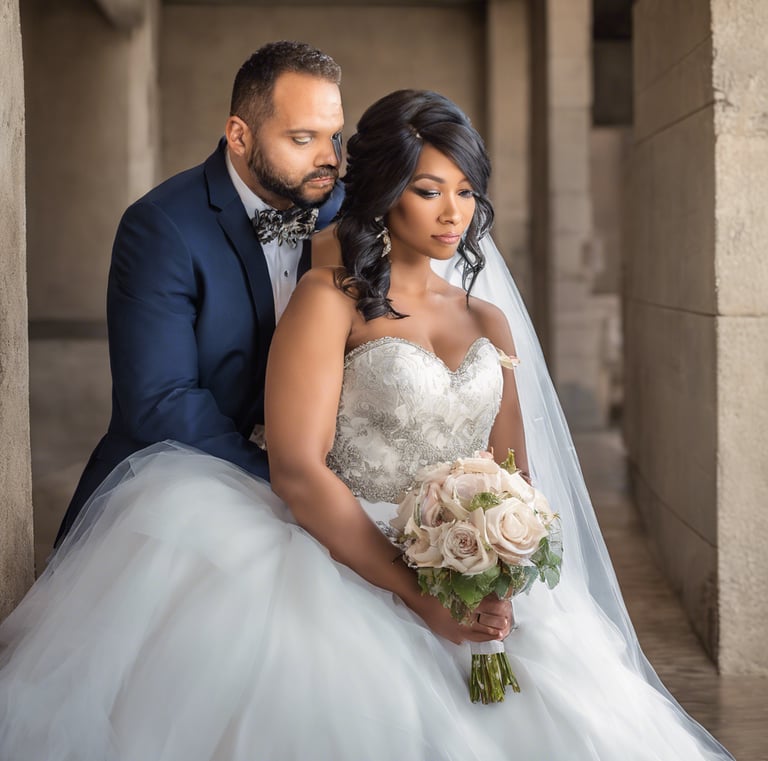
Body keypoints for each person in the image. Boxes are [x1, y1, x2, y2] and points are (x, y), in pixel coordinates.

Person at [0, 90, 734, 760]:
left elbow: (514, 472)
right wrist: (419, 593)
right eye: (427, 189)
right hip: (338, 544)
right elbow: (296, 467)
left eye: (466, 191)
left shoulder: (489, 319)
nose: (454, 212)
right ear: (382, 194)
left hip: (462, 563)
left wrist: (496, 568)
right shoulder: (332, 300)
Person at [54, 40, 345, 545]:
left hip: (322, 485)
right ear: (238, 135)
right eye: (303, 139)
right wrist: (292, 483)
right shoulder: (161, 227)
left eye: (334, 136)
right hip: (181, 483)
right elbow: (161, 400)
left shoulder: (345, 211)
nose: (329, 159)